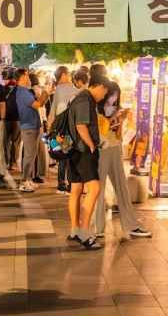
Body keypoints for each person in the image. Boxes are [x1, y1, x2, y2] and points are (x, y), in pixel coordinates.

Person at [93, 80, 152, 240]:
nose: (113, 99)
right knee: (98, 188)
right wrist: (112, 118)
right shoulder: (96, 108)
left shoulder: (116, 108)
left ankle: (131, 225)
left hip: (115, 148)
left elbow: (117, 133)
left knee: (122, 188)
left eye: (116, 96)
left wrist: (120, 119)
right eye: (111, 95)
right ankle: (97, 227)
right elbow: (99, 130)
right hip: (102, 150)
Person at [65, 73, 110, 250]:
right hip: (83, 151)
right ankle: (84, 233)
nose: (103, 96)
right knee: (94, 188)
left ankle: (75, 229)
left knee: (76, 189)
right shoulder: (85, 99)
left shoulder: (78, 97)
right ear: (99, 86)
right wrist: (91, 144)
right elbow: (81, 125)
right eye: (104, 92)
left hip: (73, 150)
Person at [14, 69, 47, 192]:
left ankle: (28, 179)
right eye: (27, 76)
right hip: (29, 127)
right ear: (22, 77)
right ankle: (24, 181)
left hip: (33, 125)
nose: (29, 78)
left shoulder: (25, 91)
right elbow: (37, 105)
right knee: (29, 155)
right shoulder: (23, 92)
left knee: (32, 155)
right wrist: (45, 93)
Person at [48, 66, 79, 195]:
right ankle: (70, 184)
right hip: (70, 129)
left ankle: (61, 184)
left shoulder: (58, 90)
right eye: (69, 74)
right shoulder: (74, 89)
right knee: (69, 156)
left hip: (59, 129)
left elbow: (53, 111)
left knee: (62, 157)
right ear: (64, 75)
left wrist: (50, 129)